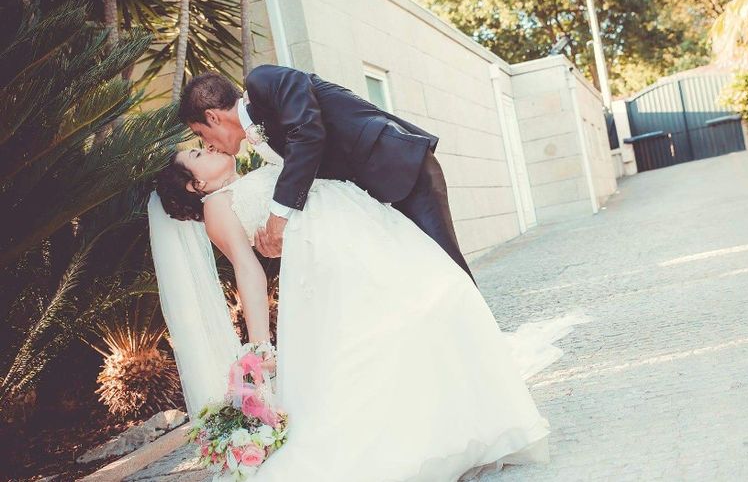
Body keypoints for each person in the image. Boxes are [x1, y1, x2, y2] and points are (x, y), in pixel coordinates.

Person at [150, 139, 590, 481]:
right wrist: (260, 342)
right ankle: (406, 450)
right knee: (376, 349)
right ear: (196, 185)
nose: (206, 147)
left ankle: (452, 429)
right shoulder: (216, 208)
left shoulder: (241, 175)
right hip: (335, 265)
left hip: (360, 237)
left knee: (429, 313)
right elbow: (249, 271)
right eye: (196, 153)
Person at [177, 65, 474, 282]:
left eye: (200, 134)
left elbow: (307, 133)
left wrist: (279, 217)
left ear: (212, 117)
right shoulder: (263, 141)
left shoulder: (263, 81)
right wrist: (277, 239)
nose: (207, 145)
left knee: (447, 268)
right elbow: (313, 179)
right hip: (378, 196)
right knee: (426, 276)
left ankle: (483, 352)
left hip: (401, 165)